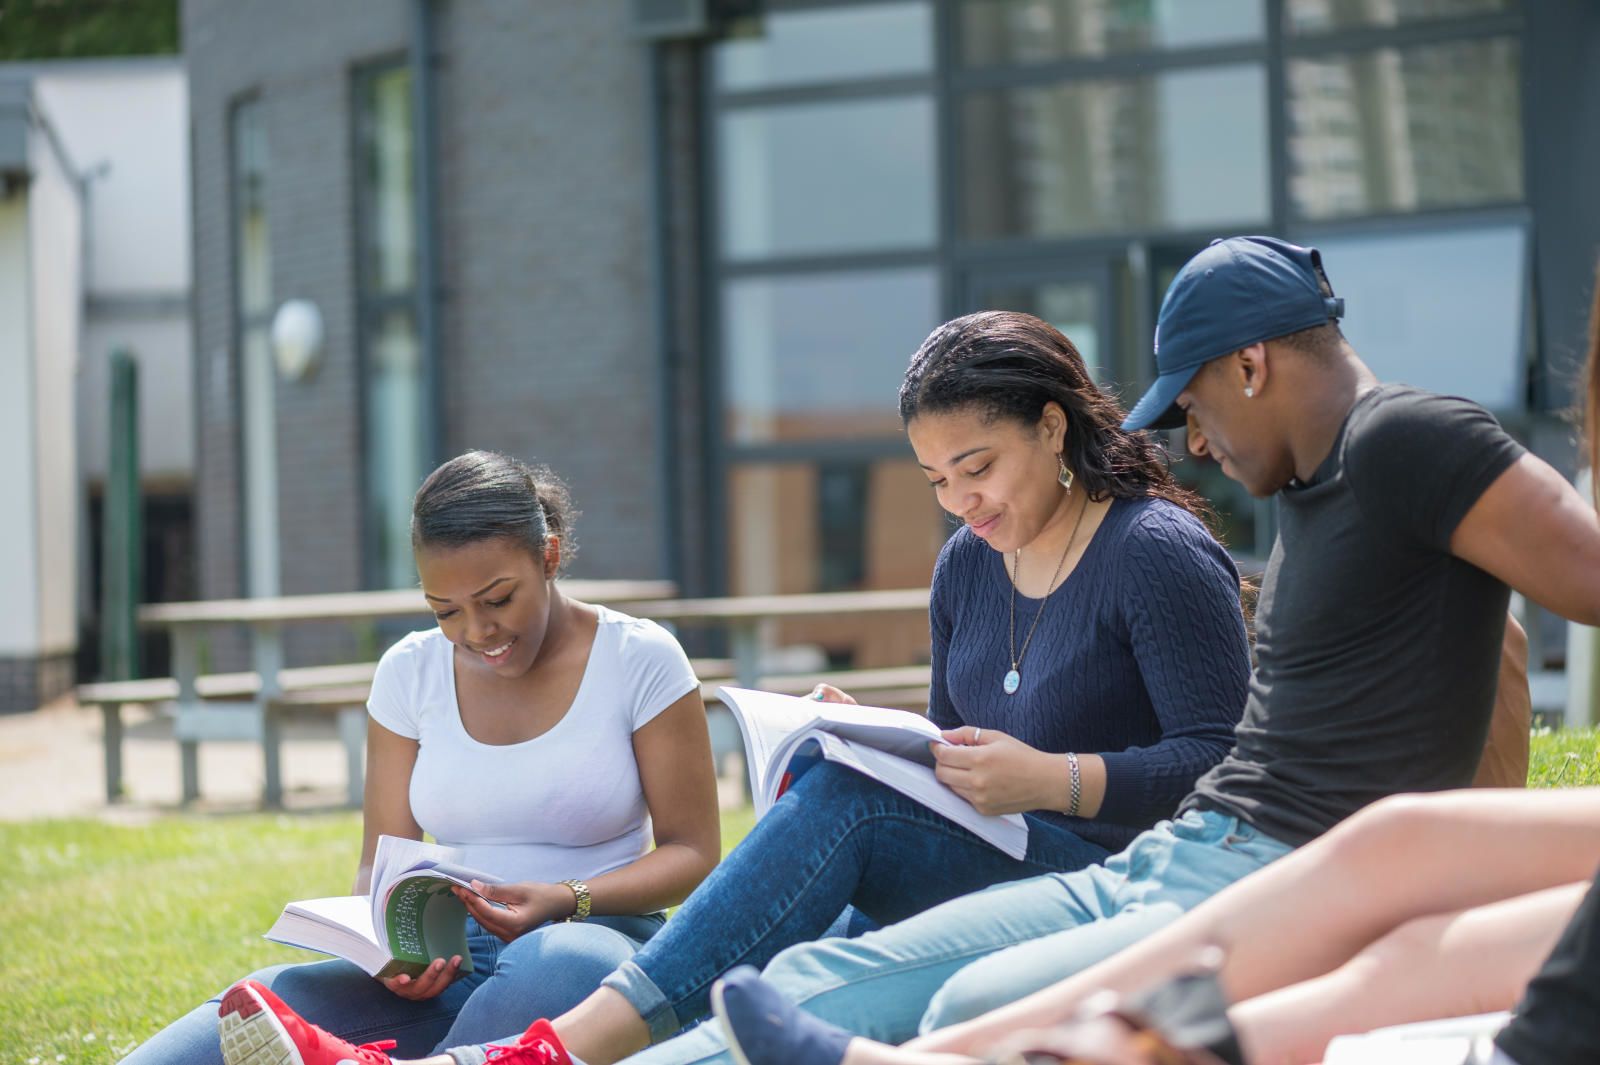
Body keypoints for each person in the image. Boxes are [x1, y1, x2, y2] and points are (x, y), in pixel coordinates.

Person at [404, 232, 1600, 1065]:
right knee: (821, 958)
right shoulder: (1325, 486)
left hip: (1250, 857)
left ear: (1254, 362)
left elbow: (1582, 574)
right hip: (1192, 850)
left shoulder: (1405, 438)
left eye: (1195, 405)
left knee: (942, 984)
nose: (1192, 438)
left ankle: (551, 1056)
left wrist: (1059, 780)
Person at [215, 310, 1258, 1065]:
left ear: (1051, 426)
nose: (959, 503)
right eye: (935, 480)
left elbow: (1225, 777)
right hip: (1004, 862)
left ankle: (542, 1055)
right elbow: (968, 752)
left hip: (1114, 878)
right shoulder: (969, 568)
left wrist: (1053, 779)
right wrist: (900, 744)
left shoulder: (1154, 554)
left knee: (839, 815)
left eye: (976, 467)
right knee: (792, 944)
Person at [127, 451, 722, 1063]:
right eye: (446, 612)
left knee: (554, 964)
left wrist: (564, 897)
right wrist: (389, 949)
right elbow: (379, 864)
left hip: (592, 942)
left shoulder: (641, 659)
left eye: (498, 599)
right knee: (237, 1017)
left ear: (548, 554)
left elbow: (693, 854)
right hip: (447, 957)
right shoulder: (409, 672)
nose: (477, 632)